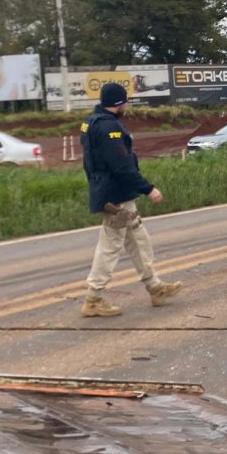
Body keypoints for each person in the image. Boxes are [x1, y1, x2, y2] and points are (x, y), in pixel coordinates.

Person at [78, 82, 182, 317]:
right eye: (124, 101)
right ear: (118, 103)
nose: (126, 105)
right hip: (116, 197)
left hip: (113, 193)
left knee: (137, 239)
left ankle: (155, 287)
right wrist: (149, 189)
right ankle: (93, 298)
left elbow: (90, 162)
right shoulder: (108, 128)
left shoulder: (90, 122)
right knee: (110, 245)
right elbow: (122, 165)